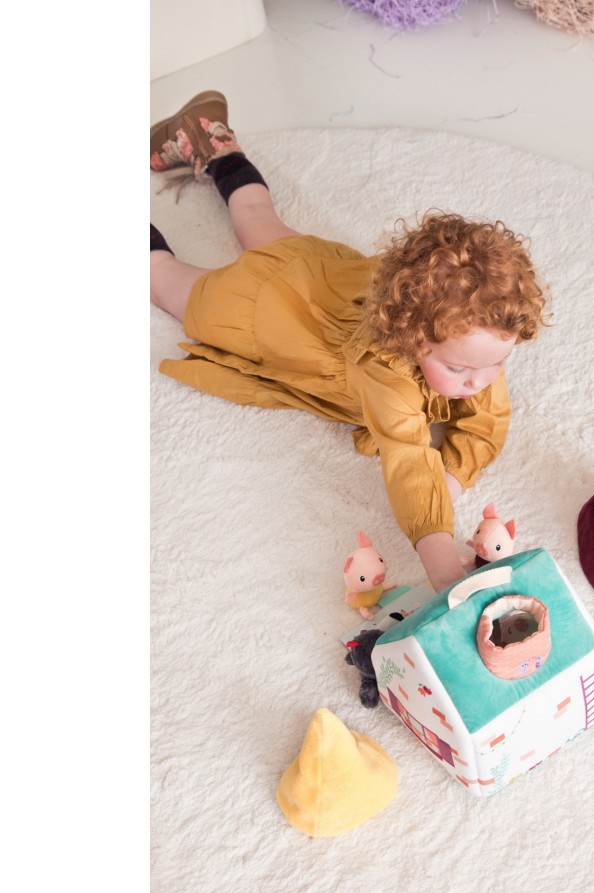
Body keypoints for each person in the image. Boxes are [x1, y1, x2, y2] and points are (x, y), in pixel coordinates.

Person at [150, 91, 549, 593]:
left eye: (497, 364)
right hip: (267, 308)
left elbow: (487, 425)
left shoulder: (476, 343)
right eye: (460, 370)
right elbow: (408, 460)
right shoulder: (386, 371)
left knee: (255, 214)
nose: (480, 383)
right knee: (164, 281)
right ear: (410, 338)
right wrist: (447, 574)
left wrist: (448, 478)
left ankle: (211, 138)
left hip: (318, 270)